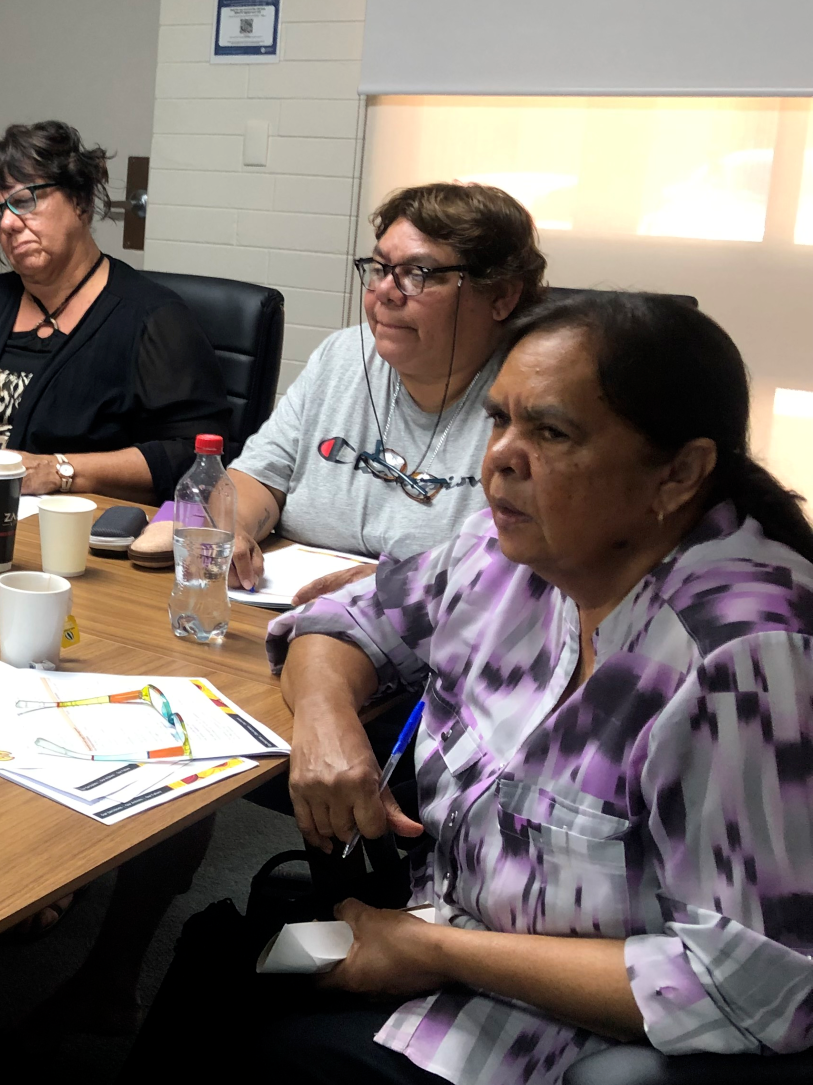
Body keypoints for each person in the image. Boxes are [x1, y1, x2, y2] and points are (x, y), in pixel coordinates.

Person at [127, 292, 813, 1084]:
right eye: (498, 421)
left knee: (251, 1042)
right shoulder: (504, 547)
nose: (499, 459)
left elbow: (755, 983)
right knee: (214, 969)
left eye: (549, 432)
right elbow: (339, 623)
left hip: (555, 1032)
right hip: (430, 923)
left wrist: (432, 950)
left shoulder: (745, 657)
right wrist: (324, 717)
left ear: (681, 472)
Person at [195, 182, 545, 603]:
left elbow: (541, 565)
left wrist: (402, 584)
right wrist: (233, 532)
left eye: (418, 274)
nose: (383, 291)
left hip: (445, 636)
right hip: (287, 611)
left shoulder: (533, 400)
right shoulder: (342, 357)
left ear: (501, 296)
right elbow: (258, 476)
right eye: (379, 269)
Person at [0, 121, 229, 504]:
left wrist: (59, 470)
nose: (8, 224)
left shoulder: (152, 318)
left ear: (80, 201)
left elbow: (193, 455)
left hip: (70, 532)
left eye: (25, 200)